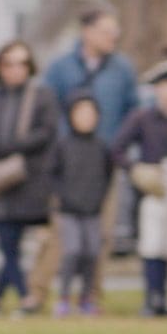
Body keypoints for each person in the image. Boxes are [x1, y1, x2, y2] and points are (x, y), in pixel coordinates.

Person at [33, 9, 141, 307]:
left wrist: (119, 149)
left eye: (115, 32)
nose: (113, 37)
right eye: (106, 31)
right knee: (59, 236)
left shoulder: (122, 69)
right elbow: (46, 109)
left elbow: (133, 112)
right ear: (87, 31)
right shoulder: (61, 68)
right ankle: (38, 293)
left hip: (104, 164)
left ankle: (91, 296)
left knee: (101, 235)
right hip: (68, 163)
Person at [0, 39, 58, 318]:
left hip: (27, 180)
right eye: (8, 63)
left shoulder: (41, 96)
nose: (14, 69)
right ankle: (14, 297)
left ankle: (16, 297)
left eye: (21, 63)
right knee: (6, 241)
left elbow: (46, 133)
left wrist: (14, 145)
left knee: (11, 241)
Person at [112, 58, 167, 317]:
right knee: (152, 244)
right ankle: (152, 297)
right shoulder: (143, 118)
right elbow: (117, 148)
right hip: (155, 187)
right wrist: (136, 169)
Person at [52, 92, 115, 317]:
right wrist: (62, 198)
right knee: (72, 252)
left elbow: (108, 175)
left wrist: (98, 198)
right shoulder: (63, 145)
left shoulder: (101, 146)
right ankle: (64, 297)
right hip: (69, 210)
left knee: (92, 253)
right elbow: (54, 175)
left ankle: (87, 298)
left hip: (93, 210)